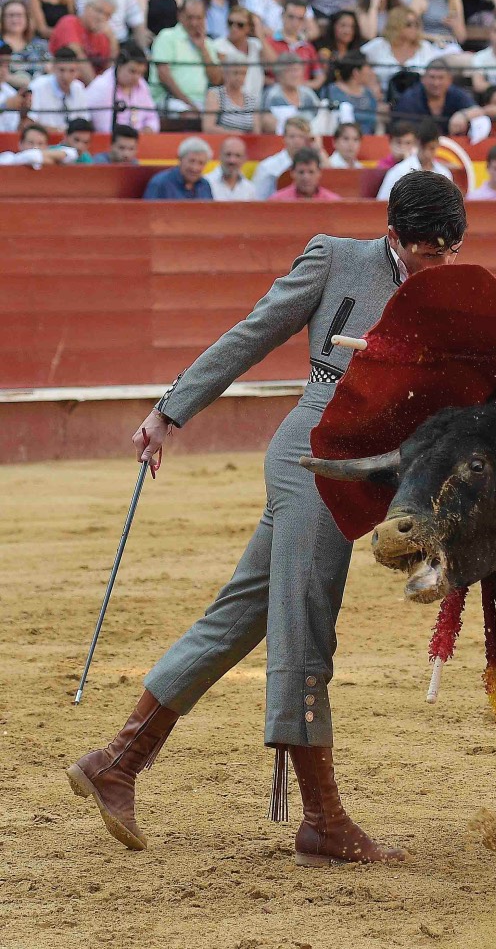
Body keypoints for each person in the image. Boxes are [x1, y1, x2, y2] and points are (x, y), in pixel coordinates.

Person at [69, 169, 466, 869]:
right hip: (312, 451)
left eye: (450, 253)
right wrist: (170, 410)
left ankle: (116, 760)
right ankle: (323, 820)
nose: (441, 265)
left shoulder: (449, 291)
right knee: (306, 620)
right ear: (393, 235)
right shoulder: (335, 257)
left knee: (244, 613)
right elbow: (253, 331)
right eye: (429, 253)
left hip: (370, 464)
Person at [149, 0, 223, 119]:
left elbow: (216, 80)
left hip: (202, 101)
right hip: (170, 99)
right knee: (190, 116)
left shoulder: (208, 43)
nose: (194, 23)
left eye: (198, 18)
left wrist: (203, 48)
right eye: (190, 17)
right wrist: (189, 103)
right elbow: (164, 76)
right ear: (180, 16)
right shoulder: (167, 37)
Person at [81, 41, 160, 133]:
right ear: (119, 66)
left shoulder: (141, 84)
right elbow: (105, 128)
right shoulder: (102, 87)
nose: (136, 77)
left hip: (140, 140)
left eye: (141, 73)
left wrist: (149, 128)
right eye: (132, 71)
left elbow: (153, 118)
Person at [393, 55, 481, 134]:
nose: (436, 83)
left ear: (449, 80)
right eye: (432, 77)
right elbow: (404, 131)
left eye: (441, 78)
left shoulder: (455, 93)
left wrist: (463, 115)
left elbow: (478, 110)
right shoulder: (410, 99)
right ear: (423, 79)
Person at [49, 0, 116, 83]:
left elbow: (110, 70)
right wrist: (95, 88)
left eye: (107, 15)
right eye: (99, 11)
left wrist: (112, 40)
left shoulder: (103, 36)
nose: (101, 17)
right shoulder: (70, 22)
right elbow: (78, 56)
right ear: (86, 7)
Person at [376, 118, 452, 199]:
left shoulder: (444, 173)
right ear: (417, 143)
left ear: (438, 145)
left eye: (431, 148)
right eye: (423, 148)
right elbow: (382, 203)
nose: (427, 154)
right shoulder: (399, 171)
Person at [252, 116, 319, 197]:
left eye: (301, 137)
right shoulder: (267, 167)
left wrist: (319, 150)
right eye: (292, 136)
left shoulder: (315, 164)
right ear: (284, 138)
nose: (297, 141)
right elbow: (258, 199)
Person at [26, 44, 86, 129]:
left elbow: (85, 122)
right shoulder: (38, 86)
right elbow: (29, 123)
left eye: (71, 71)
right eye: (62, 70)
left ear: (77, 70)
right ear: (53, 67)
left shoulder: (79, 87)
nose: (66, 76)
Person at [320, 51, 378, 133]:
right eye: (368, 67)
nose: (371, 72)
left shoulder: (369, 93)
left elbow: (374, 120)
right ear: (356, 72)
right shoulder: (331, 92)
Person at [202, 53, 260, 134]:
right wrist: (236, 134)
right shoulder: (215, 95)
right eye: (235, 73)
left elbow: (256, 132)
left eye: (243, 73)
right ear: (226, 73)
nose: (239, 78)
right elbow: (208, 128)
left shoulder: (251, 100)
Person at [143, 135, 214, 199]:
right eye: (191, 161)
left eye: (201, 163)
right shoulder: (160, 183)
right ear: (180, 159)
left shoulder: (205, 185)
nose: (195, 168)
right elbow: (148, 212)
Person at [268, 145, 342, 201]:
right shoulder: (277, 201)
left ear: (319, 173)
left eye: (311, 172)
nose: (306, 177)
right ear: (292, 173)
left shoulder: (333, 201)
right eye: (301, 172)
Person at [0, 119, 76, 164]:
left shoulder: (49, 153)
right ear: (20, 144)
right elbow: (32, 157)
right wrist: (54, 160)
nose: (35, 147)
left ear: (46, 146)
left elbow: (72, 153)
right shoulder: (8, 157)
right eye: (30, 143)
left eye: (40, 144)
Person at [205, 134, 257, 199]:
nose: (232, 160)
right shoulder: (206, 183)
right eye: (228, 154)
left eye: (237, 156)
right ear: (220, 156)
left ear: (244, 159)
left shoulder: (250, 188)